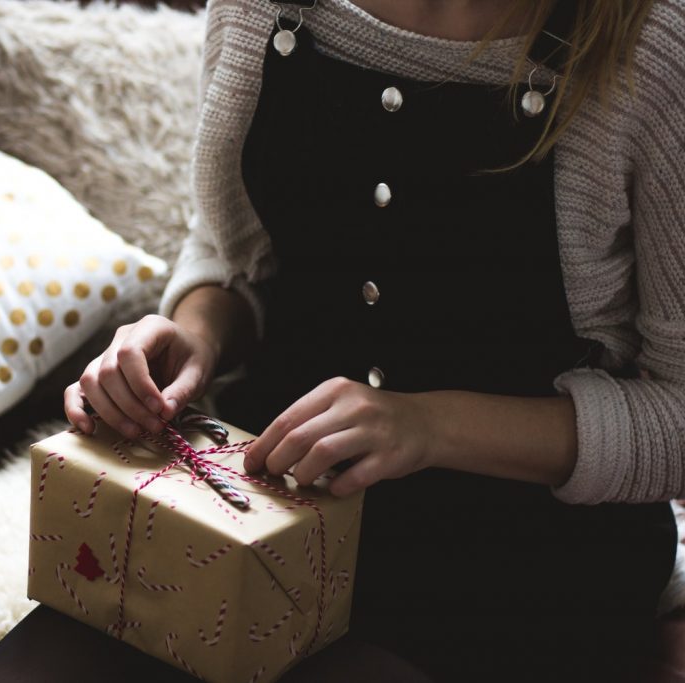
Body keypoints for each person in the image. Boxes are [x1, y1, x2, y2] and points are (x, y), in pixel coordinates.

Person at [64, 0, 684, 680]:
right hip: (261, 514)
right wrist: (195, 333)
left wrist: (428, 425)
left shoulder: (655, 41)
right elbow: (227, 243)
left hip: (525, 571)